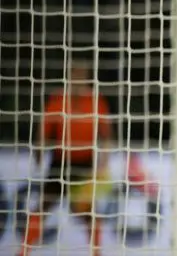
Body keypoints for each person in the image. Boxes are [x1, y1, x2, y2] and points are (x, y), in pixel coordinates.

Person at [20, 60, 112, 256]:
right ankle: (23, 251)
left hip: (85, 164)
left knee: (88, 212)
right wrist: (38, 153)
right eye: (74, 73)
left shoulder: (96, 102)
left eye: (81, 74)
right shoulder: (58, 100)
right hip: (60, 162)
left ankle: (97, 253)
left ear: (88, 77)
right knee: (42, 207)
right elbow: (43, 131)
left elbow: (106, 134)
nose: (78, 78)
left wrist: (104, 161)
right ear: (69, 76)